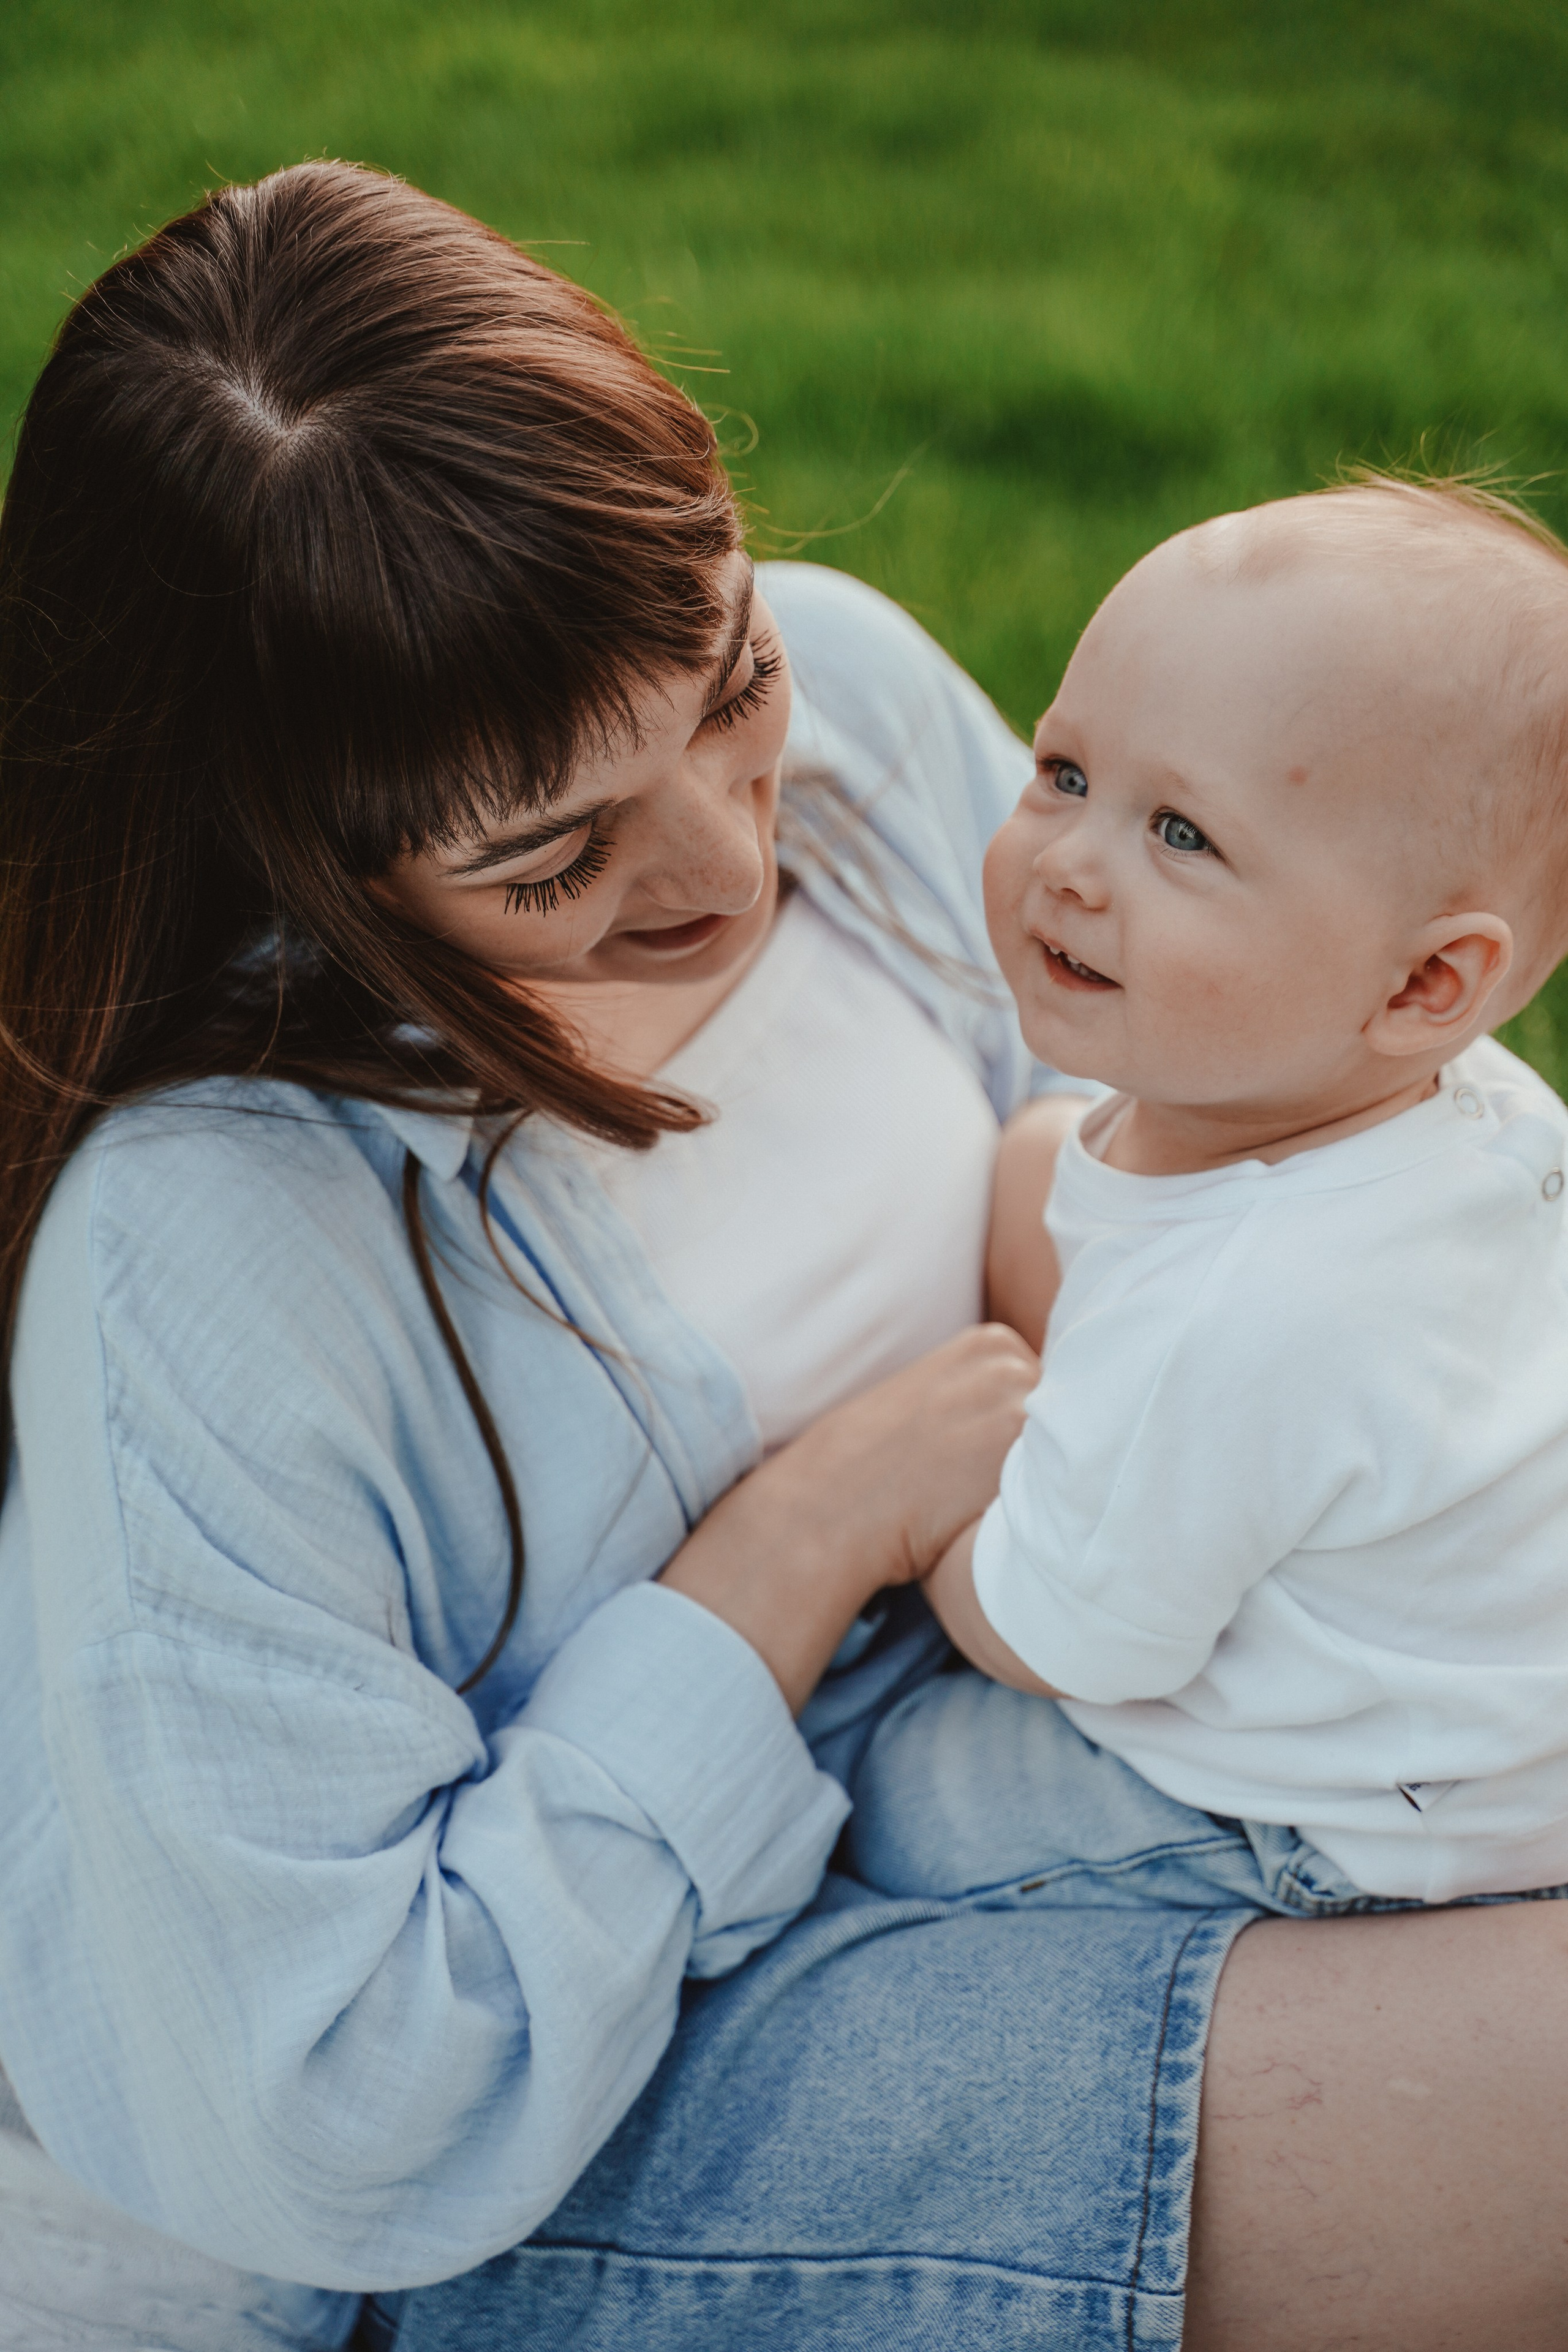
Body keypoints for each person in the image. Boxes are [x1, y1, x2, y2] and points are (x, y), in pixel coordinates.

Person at [4, 165, 1568, 2352]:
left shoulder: (836, 681)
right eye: (556, 854)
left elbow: (1166, 1114)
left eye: (722, 688)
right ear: (283, 843)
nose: (735, 857)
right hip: (594, 2105)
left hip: (1090, 1769)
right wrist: (799, 1548)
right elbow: (326, 2111)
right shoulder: (213, 1255)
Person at [851, 481, 1568, 1921]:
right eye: (1062, 772)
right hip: (1479, 1674)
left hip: (1375, 1810)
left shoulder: (1246, 1314)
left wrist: (928, 1528)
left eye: (1179, 835)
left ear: (1424, 981)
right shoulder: (1462, 1107)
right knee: (1040, 1158)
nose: (1068, 863)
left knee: (902, 1798)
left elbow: (1070, 1641)